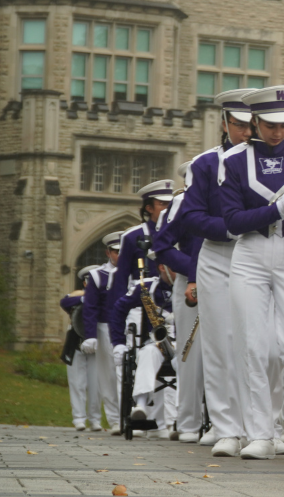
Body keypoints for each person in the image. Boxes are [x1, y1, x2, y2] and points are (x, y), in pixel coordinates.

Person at [220, 85, 284, 460]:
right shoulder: (234, 160)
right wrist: (277, 210)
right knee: (253, 348)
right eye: (270, 125)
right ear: (254, 123)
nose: (278, 132)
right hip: (251, 255)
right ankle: (259, 432)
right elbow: (232, 221)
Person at [179, 88, 256, 456]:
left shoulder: (269, 158)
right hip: (219, 254)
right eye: (239, 125)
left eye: (251, 125)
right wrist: (232, 226)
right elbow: (190, 216)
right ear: (225, 124)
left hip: (256, 254)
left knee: (257, 342)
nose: (246, 132)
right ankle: (225, 425)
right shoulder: (205, 164)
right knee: (218, 344)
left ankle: (258, 423)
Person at [108, 180, 177, 439]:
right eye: (162, 204)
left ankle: (169, 420)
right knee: (139, 354)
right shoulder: (133, 236)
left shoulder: (180, 230)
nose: (168, 208)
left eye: (171, 204)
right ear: (148, 207)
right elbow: (120, 279)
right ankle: (138, 409)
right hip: (144, 300)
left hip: (177, 298)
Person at [152, 160, 206, 443]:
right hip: (188, 279)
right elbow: (163, 246)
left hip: (230, 277)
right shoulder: (180, 204)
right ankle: (188, 421)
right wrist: (192, 269)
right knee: (189, 351)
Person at [79, 231, 124, 434]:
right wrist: (90, 335)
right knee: (109, 375)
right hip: (106, 327)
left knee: (130, 374)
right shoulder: (98, 275)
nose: (119, 256)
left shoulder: (134, 273)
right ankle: (115, 419)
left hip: (130, 328)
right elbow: (90, 308)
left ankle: (130, 416)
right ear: (108, 252)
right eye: (115, 252)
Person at [63, 271, 100, 431]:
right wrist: (86, 297)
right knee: (77, 382)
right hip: (76, 342)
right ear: (84, 283)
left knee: (95, 384)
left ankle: (95, 419)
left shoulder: (103, 296)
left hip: (96, 343)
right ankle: (78, 418)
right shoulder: (78, 296)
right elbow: (65, 302)